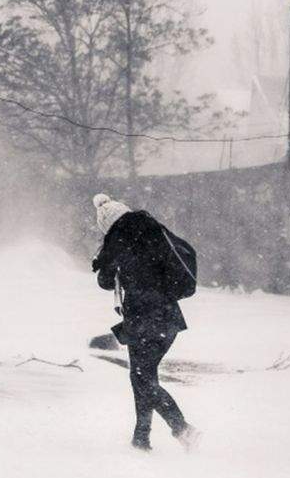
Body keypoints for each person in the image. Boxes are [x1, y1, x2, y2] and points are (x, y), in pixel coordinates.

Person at [91, 193, 199, 452]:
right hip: (168, 317)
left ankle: (182, 429)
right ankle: (141, 438)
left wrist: (105, 260)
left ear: (107, 224)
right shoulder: (153, 231)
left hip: (143, 318)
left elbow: (104, 282)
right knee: (143, 376)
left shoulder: (118, 242)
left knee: (142, 379)